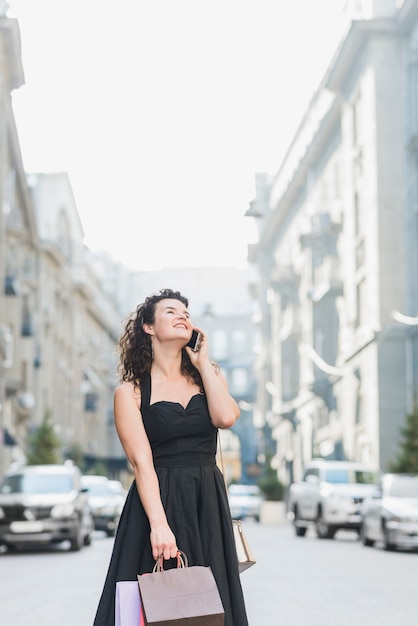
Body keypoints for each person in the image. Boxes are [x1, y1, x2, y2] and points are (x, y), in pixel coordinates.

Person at [93, 288, 249, 626]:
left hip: (205, 500)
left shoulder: (209, 377)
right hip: (157, 502)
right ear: (148, 327)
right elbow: (142, 465)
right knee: (156, 606)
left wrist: (203, 363)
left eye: (186, 313)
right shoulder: (131, 392)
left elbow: (226, 418)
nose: (182, 316)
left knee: (208, 606)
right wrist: (159, 526)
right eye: (170, 311)